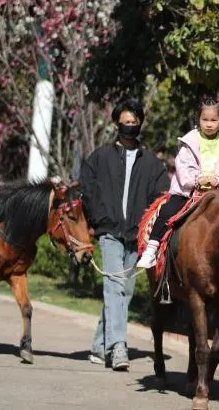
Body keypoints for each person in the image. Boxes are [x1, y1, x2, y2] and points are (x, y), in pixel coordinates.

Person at [82, 98, 170, 371]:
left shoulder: (153, 164)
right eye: (126, 122)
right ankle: (119, 348)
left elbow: (161, 199)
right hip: (109, 232)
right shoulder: (100, 157)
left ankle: (99, 345)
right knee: (114, 287)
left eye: (135, 122)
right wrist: (98, 219)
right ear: (116, 123)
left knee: (125, 292)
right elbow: (87, 189)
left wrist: (148, 230)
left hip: (136, 236)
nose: (130, 126)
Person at [136, 97, 219, 269]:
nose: (209, 124)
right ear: (198, 120)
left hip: (218, 192)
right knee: (168, 209)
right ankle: (152, 248)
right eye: (205, 119)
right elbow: (183, 166)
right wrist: (197, 179)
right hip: (188, 192)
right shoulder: (189, 141)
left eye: (213, 120)